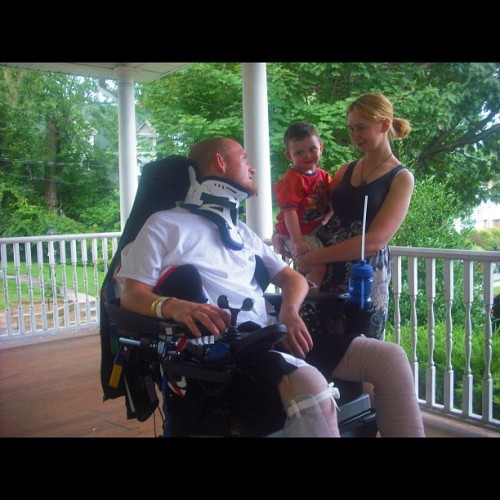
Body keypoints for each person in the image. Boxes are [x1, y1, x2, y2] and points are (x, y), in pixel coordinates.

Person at [117, 136, 424, 437]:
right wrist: (172, 306)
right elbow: (132, 294)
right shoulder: (164, 225)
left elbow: (291, 278)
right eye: (244, 159)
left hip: (272, 337)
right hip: (224, 354)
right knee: (312, 386)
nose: (252, 168)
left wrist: (290, 310)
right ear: (220, 162)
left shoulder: (241, 232)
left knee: (390, 359)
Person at [275, 92, 415, 341]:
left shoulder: (400, 177)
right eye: (351, 129)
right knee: (316, 343)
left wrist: (315, 257)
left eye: (361, 127)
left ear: (384, 125)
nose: (354, 136)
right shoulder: (345, 170)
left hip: (361, 273)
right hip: (323, 268)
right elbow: (307, 208)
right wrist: (281, 234)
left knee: (361, 348)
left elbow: (374, 240)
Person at [273, 122, 333, 288]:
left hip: (310, 231)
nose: (307, 155)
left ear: (321, 148)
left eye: (312, 149)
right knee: (318, 265)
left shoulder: (322, 175)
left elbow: (332, 199)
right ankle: (307, 302)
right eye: (299, 152)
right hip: (296, 233)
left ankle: (300, 294)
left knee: (309, 268)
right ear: (288, 155)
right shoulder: (293, 178)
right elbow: (290, 212)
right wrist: (297, 241)